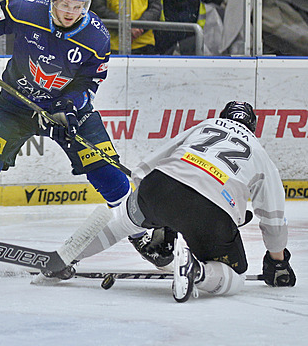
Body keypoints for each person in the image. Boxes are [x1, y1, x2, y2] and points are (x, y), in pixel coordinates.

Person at [0, 0, 131, 232]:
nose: (70, 12)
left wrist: (70, 105)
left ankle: (145, 237)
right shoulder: (25, 9)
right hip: (16, 105)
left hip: (68, 112)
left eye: (78, 6)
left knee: (107, 172)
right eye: (64, 4)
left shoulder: (97, 37)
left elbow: (90, 81)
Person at [64, 101, 296, 302]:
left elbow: (145, 168)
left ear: (222, 116)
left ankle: (67, 257)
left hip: (161, 185)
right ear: (253, 127)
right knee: (236, 277)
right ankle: (197, 272)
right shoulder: (261, 155)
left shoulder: (206, 126)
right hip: (212, 210)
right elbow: (273, 220)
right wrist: (278, 263)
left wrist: (160, 218)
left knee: (123, 222)